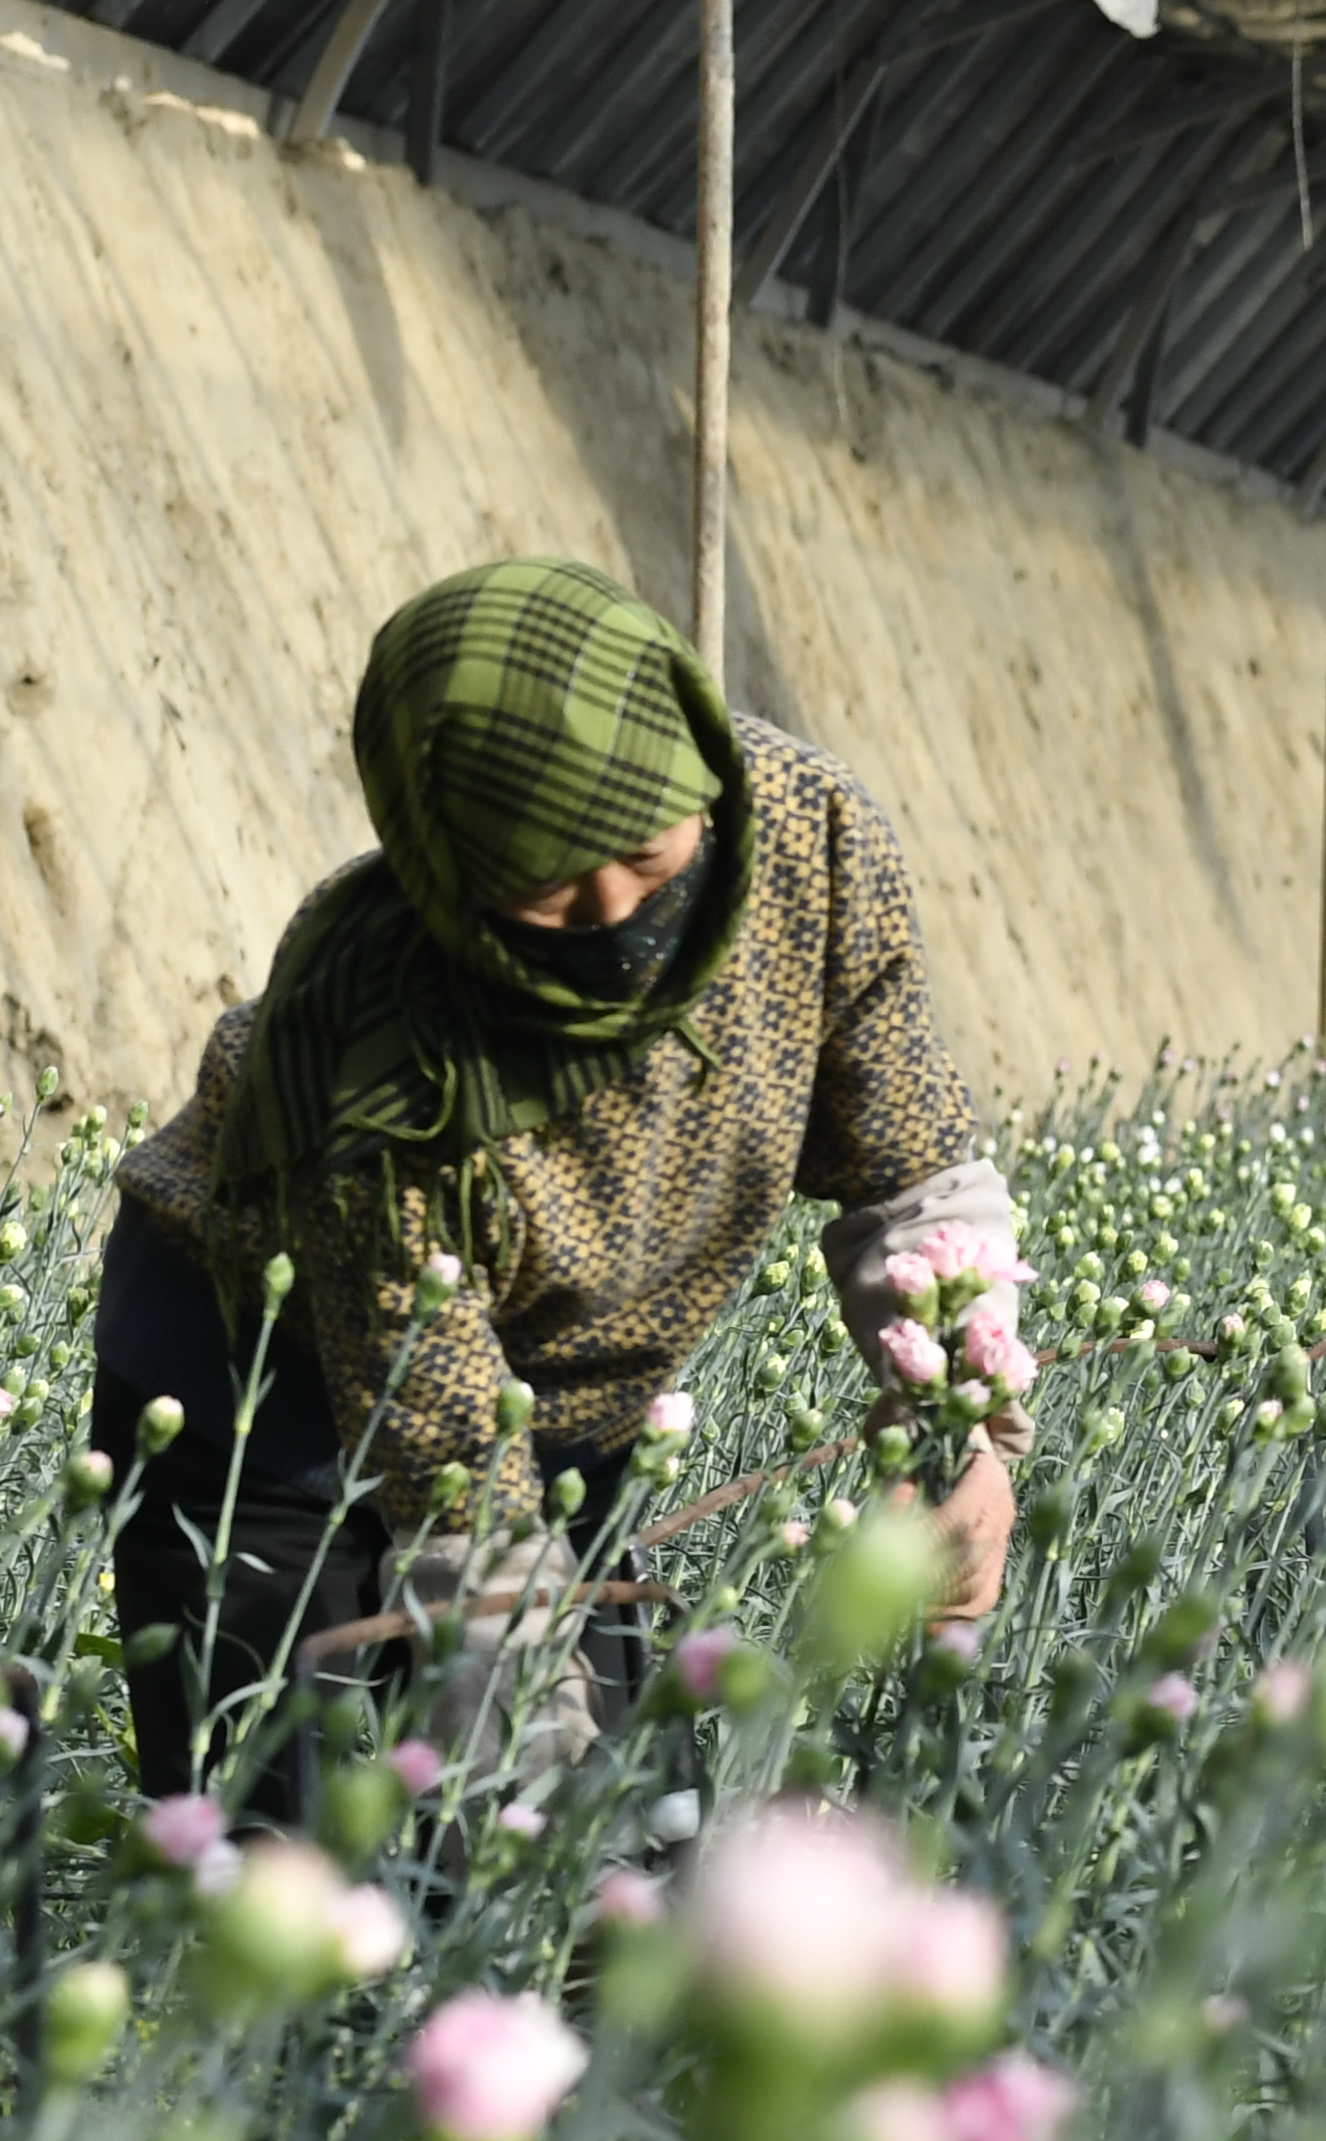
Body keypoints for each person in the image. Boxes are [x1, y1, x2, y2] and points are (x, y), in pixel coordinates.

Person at [95, 557, 1023, 1802]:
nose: (620, 918)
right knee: (286, 1838)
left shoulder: (805, 837)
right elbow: (455, 1472)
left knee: (642, 1836)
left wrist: (965, 1435)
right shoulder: (381, 1057)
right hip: (257, 1389)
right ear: (444, 869)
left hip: (561, 1404)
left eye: (649, 851)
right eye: (548, 887)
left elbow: (912, 1174)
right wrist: (543, 1816)